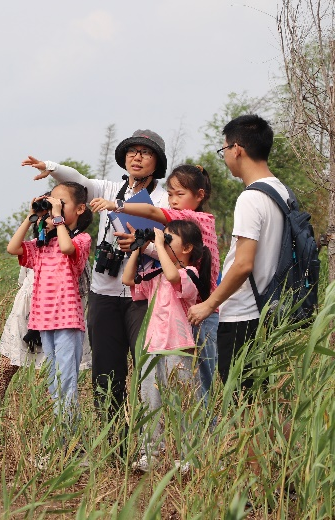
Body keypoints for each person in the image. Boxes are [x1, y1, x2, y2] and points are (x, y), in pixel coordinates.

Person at [22, 129, 169, 434]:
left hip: (144, 295)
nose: (137, 157)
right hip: (104, 293)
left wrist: (141, 244)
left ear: (157, 162)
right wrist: (51, 167)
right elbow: (80, 181)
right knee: (105, 372)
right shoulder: (109, 188)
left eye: (146, 152)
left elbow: (172, 239)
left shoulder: (163, 196)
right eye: (132, 151)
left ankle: (150, 446)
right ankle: (113, 443)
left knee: (147, 371)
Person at [90, 164, 220, 402]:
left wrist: (117, 204)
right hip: (183, 312)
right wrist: (142, 246)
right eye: (170, 194)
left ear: (200, 195)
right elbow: (171, 254)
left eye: (180, 194)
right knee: (182, 387)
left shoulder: (198, 218)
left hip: (202, 311)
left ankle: (205, 434)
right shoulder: (181, 231)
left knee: (199, 386)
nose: (173, 200)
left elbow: (152, 214)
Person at [187, 115, 287, 391]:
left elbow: (243, 264)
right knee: (266, 402)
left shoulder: (251, 198)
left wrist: (209, 305)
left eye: (224, 150)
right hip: (271, 311)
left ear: (237, 149)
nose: (225, 156)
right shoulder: (282, 192)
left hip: (243, 315)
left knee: (244, 405)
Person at [122, 221, 212, 473]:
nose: (165, 241)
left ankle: (188, 455)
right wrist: (139, 250)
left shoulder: (190, 273)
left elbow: (174, 276)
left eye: (171, 239)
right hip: (152, 347)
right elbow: (127, 279)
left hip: (178, 347)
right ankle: (150, 454)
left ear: (188, 248)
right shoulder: (156, 274)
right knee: (150, 401)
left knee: (182, 401)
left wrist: (158, 244)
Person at [6, 182, 92, 436]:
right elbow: (13, 248)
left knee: (66, 381)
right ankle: (63, 438)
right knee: (54, 382)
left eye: (62, 203)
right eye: (52, 201)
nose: (56, 207)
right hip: (44, 321)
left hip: (67, 320)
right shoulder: (42, 245)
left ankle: (69, 441)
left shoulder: (81, 239)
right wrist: (31, 217)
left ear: (80, 209)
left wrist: (58, 219)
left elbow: (67, 248)